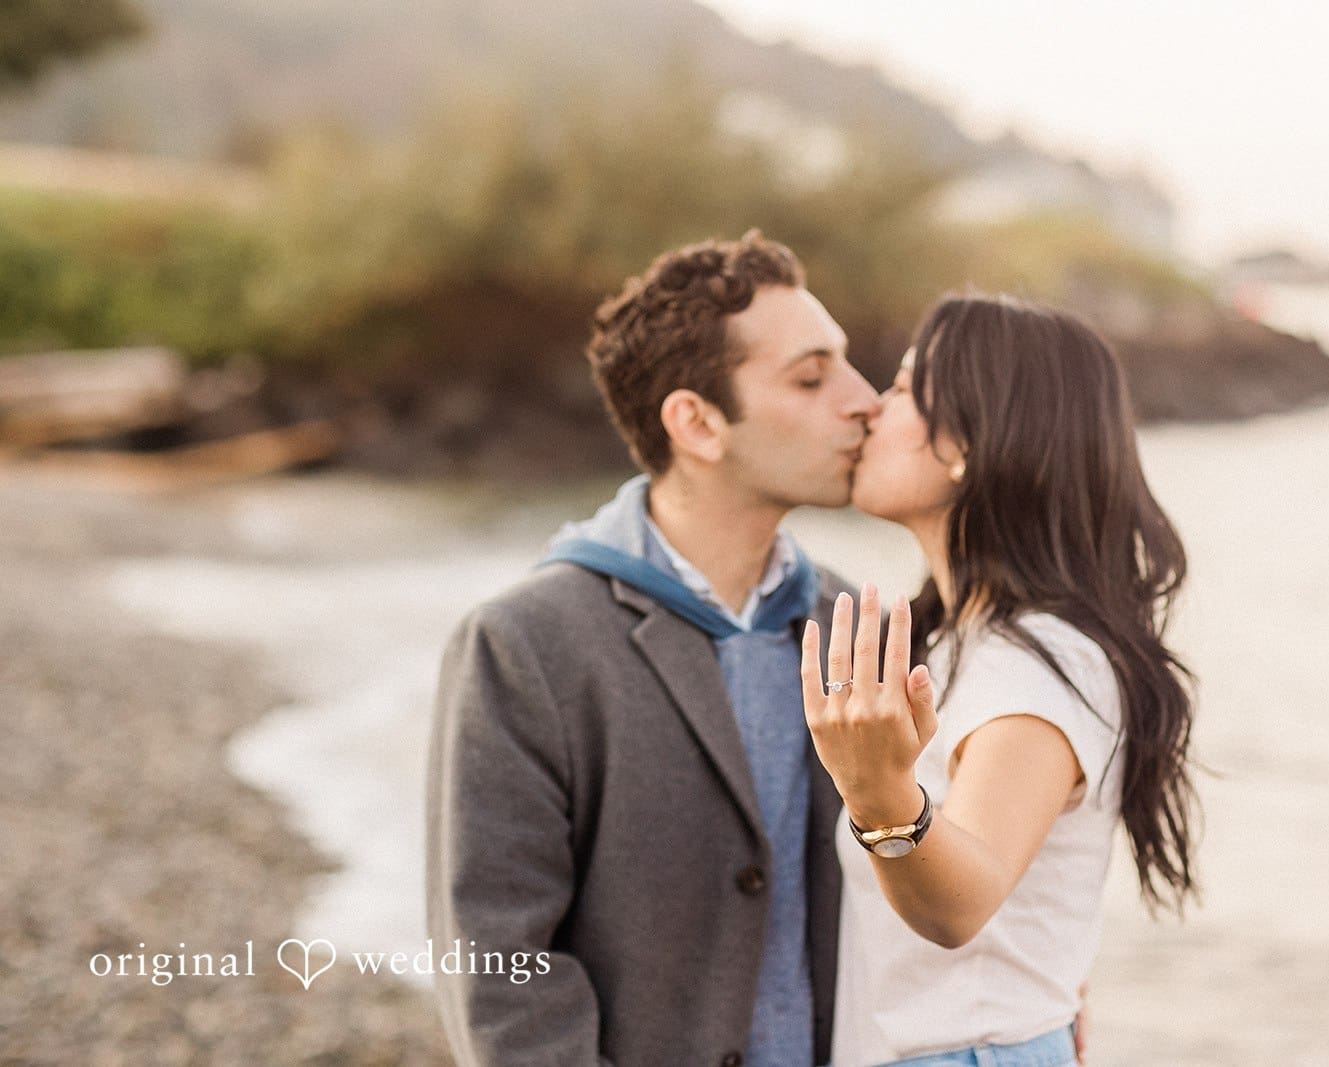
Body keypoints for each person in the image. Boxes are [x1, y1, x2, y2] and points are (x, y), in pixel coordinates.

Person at [425, 231, 882, 1066]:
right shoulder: (523, 643)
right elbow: (498, 965)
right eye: (812, 377)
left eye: (848, 367)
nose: (866, 400)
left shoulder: (851, 619)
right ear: (697, 423)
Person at [801, 294, 1199, 1067]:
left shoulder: (1039, 661)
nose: (871, 410)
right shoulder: (961, 639)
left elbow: (962, 903)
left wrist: (879, 791)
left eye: (906, 386)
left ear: (969, 444)